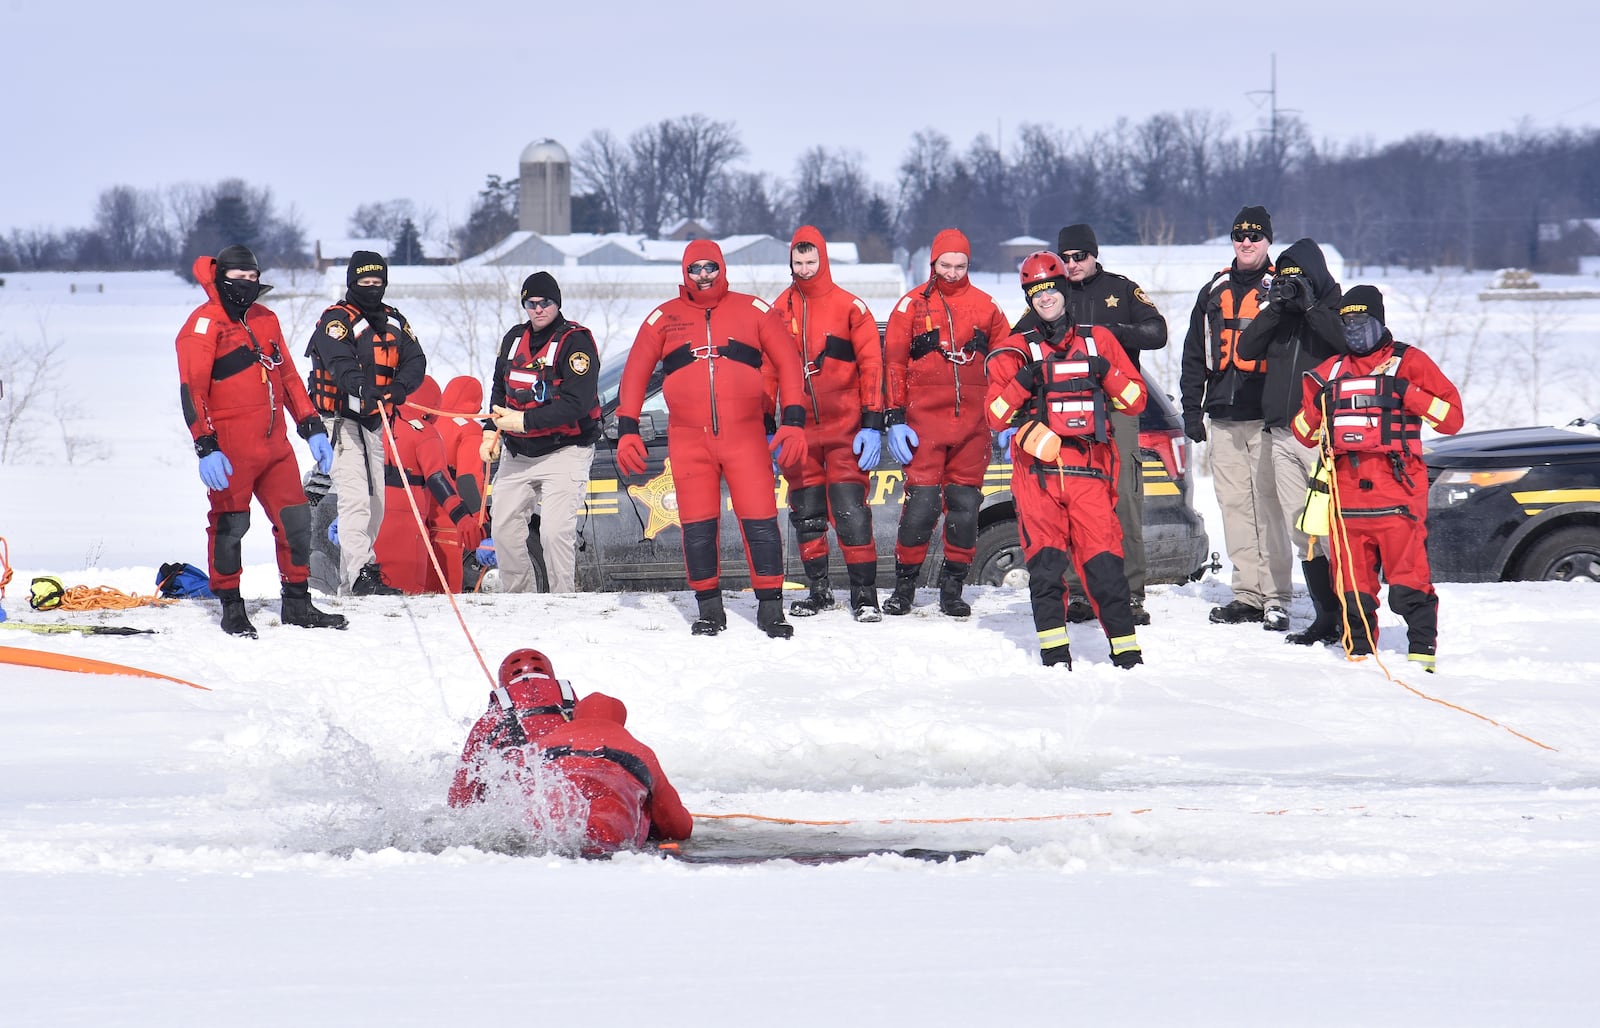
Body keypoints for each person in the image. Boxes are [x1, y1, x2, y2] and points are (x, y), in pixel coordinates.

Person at [614, 240, 810, 638]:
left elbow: (790, 362)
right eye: (695, 269)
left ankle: (771, 609)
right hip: (689, 440)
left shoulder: (752, 309)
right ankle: (709, 610)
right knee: (697, 525)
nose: (703, 275)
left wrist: (792, 419)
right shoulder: (663, 317)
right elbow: (635, 372)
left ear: (722, 268)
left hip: (746, 437)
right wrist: (627, 428)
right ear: (684, 273)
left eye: (710, 267)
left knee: (761, 522)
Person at [175, 244, 346, 637]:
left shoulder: (266, 318)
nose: (247, 284)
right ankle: (232, 607)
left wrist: (313, 427)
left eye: (253, 278)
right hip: (231, 449)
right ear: (221, 278)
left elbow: (287, 378)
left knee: (297, 522)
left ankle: (298, 603)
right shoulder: (202, 326)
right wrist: (206, 445)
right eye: (239, 278)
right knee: (230, 526)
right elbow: (193, 390)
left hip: (275, 447)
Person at [986, 252, 1147, 669]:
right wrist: (1025, 381)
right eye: (1036, 292)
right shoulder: (1015, 350)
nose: (1045, 299)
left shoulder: (1099, 341)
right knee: (1045, 568)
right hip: (1037, 476)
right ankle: (1056, 656)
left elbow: (1135, 400)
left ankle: (1127, 654)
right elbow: (995, 415)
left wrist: (1105, 371)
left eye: (1051, 290)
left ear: (1063, 291)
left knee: (1106, 567)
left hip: (1089, 470)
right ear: (1029, 298)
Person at [1291, 286, 1463, 671]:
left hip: (1398, 495)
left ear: (1379, 321)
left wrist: (1408, 394)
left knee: (1408, 583)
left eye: (1361, 321)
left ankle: (1422, 653)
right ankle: (1360, 655)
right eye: (1347, 323)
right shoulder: (1330, 372)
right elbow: (1302, 430)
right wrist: (1320, 406)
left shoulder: (1411, 363)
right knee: (1352, 587)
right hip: (1346, 499)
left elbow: (1452, 419)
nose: (1354, 330)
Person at [1015, 224, 1167, 626]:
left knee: (1124, 499)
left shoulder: (1120, 289)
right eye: (1066, 258)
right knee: (1067, 496)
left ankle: (1131, 592)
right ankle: (1078, 591)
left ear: (1094, 255)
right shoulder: (1048, 293)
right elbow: (1015, 343)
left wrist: (1110, 336)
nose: (1072, 264)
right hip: (1061, 414)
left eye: (1079, 256)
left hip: (1115, 404)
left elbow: (1158, 331)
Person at [881, 228, 1012, 618]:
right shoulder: (910, 306)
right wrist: (895, 417)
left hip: (973, 429)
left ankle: (952, 589)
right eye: (945, 265)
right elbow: (892, 364)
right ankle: (904, 590)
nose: (952, 272)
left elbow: (1007, 361)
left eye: (960, 265)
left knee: (965, 510)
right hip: (923, 428)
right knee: (920, 510)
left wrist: (1006, 415)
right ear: (933, 263)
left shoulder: (987, 306)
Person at [447, 649, 693, 855]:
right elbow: (678, 827)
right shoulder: (637, 748)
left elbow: (462, 796)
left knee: (545, 830)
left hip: (542, 803)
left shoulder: (498, 718)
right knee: (599, 833)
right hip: (609, 819)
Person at [1178, 205, 1293, 631]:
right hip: (1223, 416)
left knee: (1269, 508)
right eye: (1240, 236)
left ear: (1267, 241)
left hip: (1266, 417)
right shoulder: (1213, 290)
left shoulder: (1282, 288)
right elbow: (1194, 355)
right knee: (1234, 507)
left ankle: (1276, 596)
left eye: (1255, 236)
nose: (1247, 243)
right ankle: (1246, 594)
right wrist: (1192, 411)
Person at [767, 226, 887, 622]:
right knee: (808, 513)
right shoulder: (778, 310)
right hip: (799, 433)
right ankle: (818, 592)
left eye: (810, 261)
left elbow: (873, 365)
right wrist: (770, 424)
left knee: (851, 513)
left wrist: (872, 421)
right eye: (797, 263)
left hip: (845, 430)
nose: (804, 269)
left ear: (824, 259)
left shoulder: (851, 307)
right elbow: (766, 372)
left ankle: (865, 596)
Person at [1235, 238, 1348, 644]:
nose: (1288, 282)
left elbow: (1347, 344)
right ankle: (1325, 617)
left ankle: (1352, 615)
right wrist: (1278, 307)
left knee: (1335, 528)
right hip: (1280, 433)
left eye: (1295, 275)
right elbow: (1245, 348)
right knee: (1303, 528)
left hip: (1321, 436)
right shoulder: (1280, 313)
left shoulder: (1335, 307)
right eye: (1283, 276)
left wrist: (1311, 307)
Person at [304, 250, 427, 595]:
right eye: (364, 282)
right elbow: (340, 362)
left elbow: (416, 358)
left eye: (378, 283)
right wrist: (362, 386)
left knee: (375, 506)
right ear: (351, 283)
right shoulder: (335, 321)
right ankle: (361, 576)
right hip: (339, 422)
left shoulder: (395, 320)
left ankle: (353, 579)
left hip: (373, 424)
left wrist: (401, 386)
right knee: (355, 499)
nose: (372, 288)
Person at [480, 272, 601, 594]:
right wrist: (490, 431)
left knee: (553, 532)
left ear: (556, 303)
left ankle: (562, 598)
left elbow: (578, 403)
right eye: (531, 303)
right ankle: (521, 599)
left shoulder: (576, 341)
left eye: (544, 302)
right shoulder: (513, 339)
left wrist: (524, 422)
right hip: (519, 452)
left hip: (566, 449)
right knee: (503, 529)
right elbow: (498, 388)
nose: (538, 309)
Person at [371, 394, 483, 593]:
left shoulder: (372, 422)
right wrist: (472, 517)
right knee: (433, 596)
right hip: (434, 522)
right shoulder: (457, 429)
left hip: (372, 519)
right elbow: (463, 479)